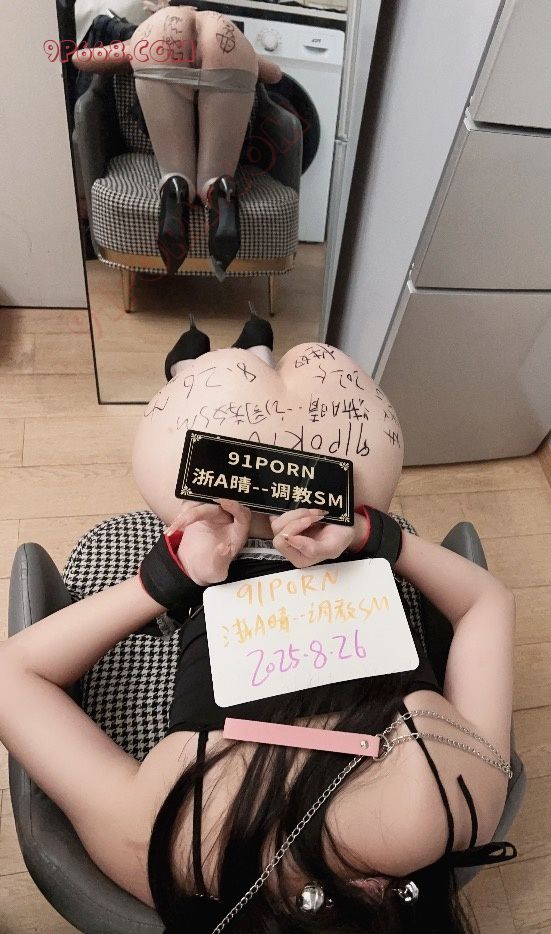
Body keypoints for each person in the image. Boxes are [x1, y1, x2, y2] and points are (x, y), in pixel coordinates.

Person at [0, 319, 516, 933]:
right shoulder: (163, 853)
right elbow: (487, 603)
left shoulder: (456, 811)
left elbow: (12, 675)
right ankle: (225, 359)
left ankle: (195, 366)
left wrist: (172, 574)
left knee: (237, 378)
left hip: (230, 529)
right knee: (308, 366)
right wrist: (370, 535)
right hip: (330, 519)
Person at [71, 6, 284, 278]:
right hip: (229, 45)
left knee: (175, 169)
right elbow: (275, 74)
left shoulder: (154, 24)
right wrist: (250, 62)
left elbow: (81, 59)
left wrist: (132, 50)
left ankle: (176, 186)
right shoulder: (220, 21)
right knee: (216, 174)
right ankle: (220, 187)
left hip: (160, 40)